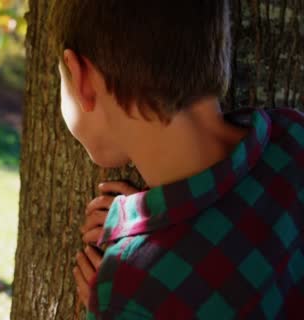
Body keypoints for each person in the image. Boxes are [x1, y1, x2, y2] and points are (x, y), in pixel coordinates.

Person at [48, 1, 304, 318]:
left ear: (81, 77)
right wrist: (151, 215)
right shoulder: (294, 137)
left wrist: (117, 305)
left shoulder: (129, 295)